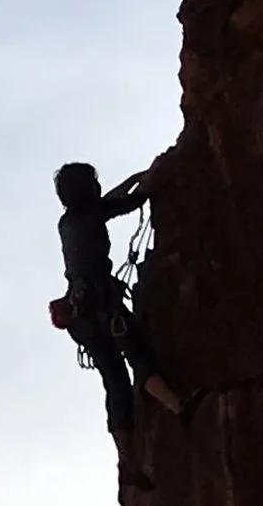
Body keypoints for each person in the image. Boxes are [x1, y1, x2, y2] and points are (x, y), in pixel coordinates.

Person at [52, 160, 177, 442]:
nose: (99, 186)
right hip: (102, 304)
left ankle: (127, 457)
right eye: (94, 183)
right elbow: (129, 202)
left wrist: (134, 177)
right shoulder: (92, 215)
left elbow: (109, 201)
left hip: (80, 313)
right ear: (86, 189)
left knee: (115, 380)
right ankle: (178, 406)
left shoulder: (68, 222)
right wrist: (152, 179)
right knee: (138, 353)